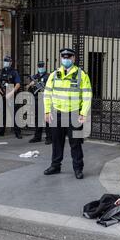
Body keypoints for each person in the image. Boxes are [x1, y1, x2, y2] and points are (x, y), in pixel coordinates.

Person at [43, 48, 93, 180]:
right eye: (64, 57)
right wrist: (47, 111)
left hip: (74, 115)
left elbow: (87, 95)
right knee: (56, 142)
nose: (66, 59)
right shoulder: (54, 75)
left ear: (74, 59)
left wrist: (83, 113)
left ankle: (78, 169)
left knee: (75, 143)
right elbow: (47, 94)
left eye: (69, 57)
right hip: (57, 114)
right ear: (61, 58)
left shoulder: (81, 75)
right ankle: (55, 166)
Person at [0, 56, 22, 139]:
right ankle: (0, 131)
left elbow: (18, 84)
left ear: (11, 62)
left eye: (8, 61)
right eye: (5, 61)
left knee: (14, 114)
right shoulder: (0, 72)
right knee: (2, 114)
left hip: (11, 95)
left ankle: (18, 132)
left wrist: (11, 92)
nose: (6, 62)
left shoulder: (14, 72)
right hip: (2, 95)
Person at [26, 61, 52, 145]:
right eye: (39, 66)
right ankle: (37, 136)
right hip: (37, 100)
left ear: (45, 66)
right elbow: (28, 89)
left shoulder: (48, 76)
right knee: (38, 119)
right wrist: (31, 85)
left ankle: (49, 137)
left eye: (42, 66)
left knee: (47, 119)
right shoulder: (34, 77)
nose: (41, 67)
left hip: (46, 100)